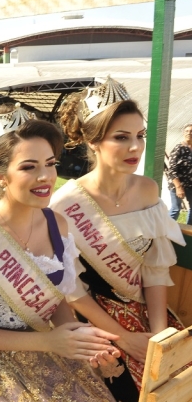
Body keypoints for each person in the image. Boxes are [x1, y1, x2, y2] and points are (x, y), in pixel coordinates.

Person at [0, 104, 119, 402]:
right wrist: (51, 341)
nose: (45, 176)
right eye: (28, 167)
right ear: (0, 176)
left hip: (44, 341)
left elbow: (55, 298)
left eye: (50, 163)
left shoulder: (56, 223)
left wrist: (81, 343)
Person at [51, 77, 188, 401]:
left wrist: (158, 335)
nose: (135, 147)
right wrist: (124, 338)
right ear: (93, 141)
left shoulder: (148, 189)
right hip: (95, 324)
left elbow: (154, 268)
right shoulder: (65, 205)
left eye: (139, 135)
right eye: (121, 137)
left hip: (149, 312)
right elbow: (71, 288)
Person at [166, 122, 192, 223]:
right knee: (176, 209)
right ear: (183, 133)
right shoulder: (178, 148)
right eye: (187, 131)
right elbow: (171, 170)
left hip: (190, 184)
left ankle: (188, 232)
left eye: (191, 131)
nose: (189, 133)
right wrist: (178, 187)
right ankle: (165, 231)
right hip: (177, 184)